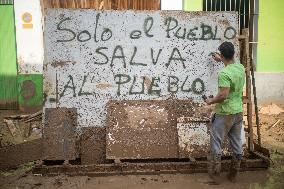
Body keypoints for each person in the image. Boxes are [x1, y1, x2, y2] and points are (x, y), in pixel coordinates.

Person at [205, 41, 245, 184]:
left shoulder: (224, 73)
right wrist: (221, 59)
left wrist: (210, 101)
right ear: (233, 53)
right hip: (238, 111)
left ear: (221, 55)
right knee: (236, 142)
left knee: (216, 142)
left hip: (224, 113)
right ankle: (234, 174)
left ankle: (215, 176)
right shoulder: (240, 67)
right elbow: (231, 67)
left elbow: (223, 96)